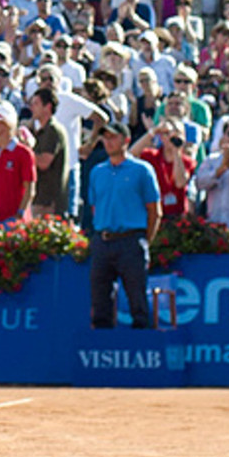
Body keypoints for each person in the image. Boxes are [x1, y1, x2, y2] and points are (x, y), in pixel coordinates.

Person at [88, 120, 161, 329]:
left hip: (131, 240)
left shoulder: (142, 170)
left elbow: (154, 211)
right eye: (105, 137)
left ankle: (141, 349)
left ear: (126, 140)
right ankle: (101, 350)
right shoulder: (97, 172)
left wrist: (145, 241)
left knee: (137, 300)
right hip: (103, 241)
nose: (108, 142)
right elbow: (95, 207)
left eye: (113, 137)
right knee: (100, 301)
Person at [28, 87, 69, 217]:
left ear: (47, 107)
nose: (32, 108)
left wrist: (26, 151)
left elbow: (44, 163)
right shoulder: (41, 132)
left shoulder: (52, 131)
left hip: (49, 202)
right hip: (40, 198)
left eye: (36, 104)